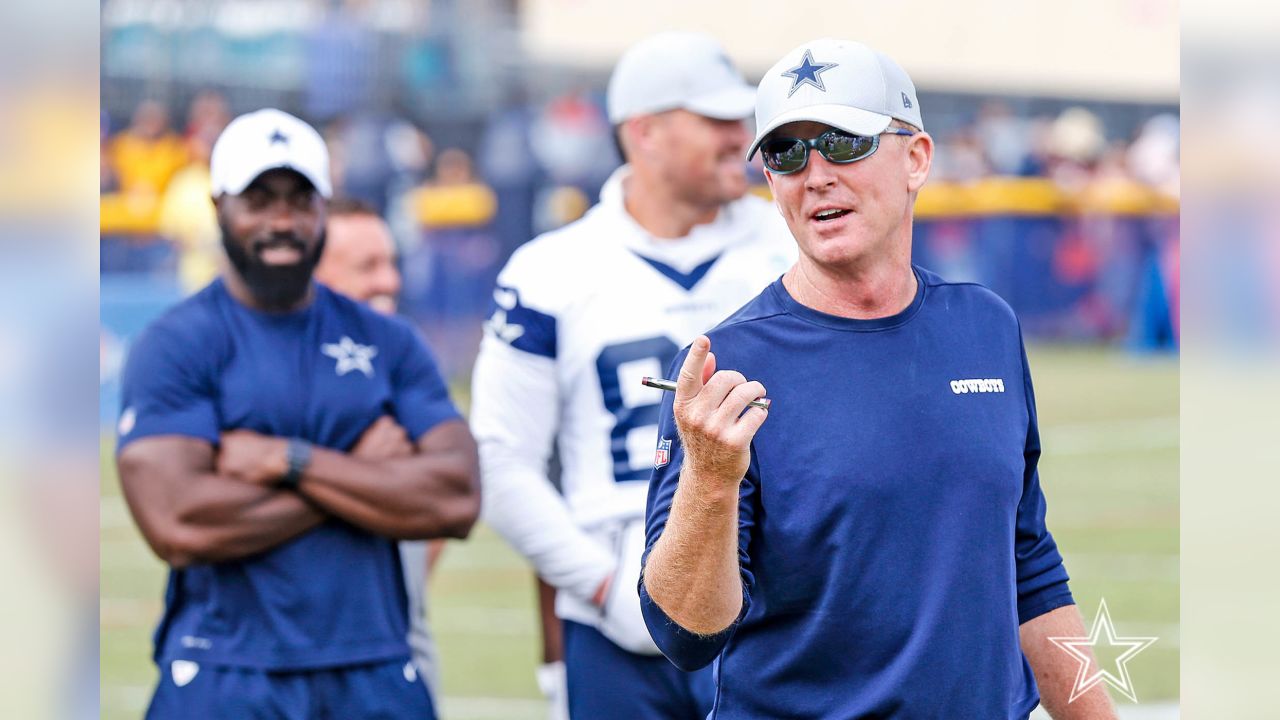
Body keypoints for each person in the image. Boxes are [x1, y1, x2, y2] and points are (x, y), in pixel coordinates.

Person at [640, 38, 1117, 720]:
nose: (815, 173)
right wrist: (710, 481)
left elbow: (1029, 563)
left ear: (916, 158)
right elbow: (683, 634)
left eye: (842, 142)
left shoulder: (986, 325)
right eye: (786, 153)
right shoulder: (725, 367)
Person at [469, 31, 796, 719]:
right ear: (643, 132)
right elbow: (499, 459)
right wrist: (599, 582)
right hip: (613, 632)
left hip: (773, 611)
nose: (742, 138)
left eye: (743, 119)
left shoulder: (791, 246)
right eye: (716, 121)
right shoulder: (550, 269)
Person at [115, 108, 481, 720]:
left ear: (323, 210)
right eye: (259, 199)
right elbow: (177, 523)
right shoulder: (175, 343)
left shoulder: (389, 342)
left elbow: (456, 500)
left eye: (298, 199)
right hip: (222, 668)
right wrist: (361, 478)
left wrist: (290, 461)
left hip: (376, 668)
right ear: (218, 207)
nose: (281, 220)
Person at [312, 196, 448, 697]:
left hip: (396, 656)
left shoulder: (406, 361)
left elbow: (453, 497)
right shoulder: (274, 381)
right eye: (366, 266)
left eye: (390, 263)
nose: (388, 281)